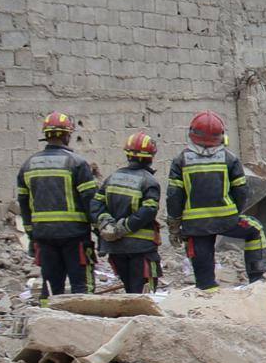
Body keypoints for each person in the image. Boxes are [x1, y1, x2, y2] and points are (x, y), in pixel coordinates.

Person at [167, 111, 266, 292]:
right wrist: (236, 213)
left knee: (205, 285)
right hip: (226, 220)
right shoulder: (230, 159)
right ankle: (256, 281)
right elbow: (241, 191)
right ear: (221, 136)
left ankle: (209, 301)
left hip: (195, 227)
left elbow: (174, 196)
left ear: (192, 134)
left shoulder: (180, 160)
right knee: (256, 230)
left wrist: (174, 226)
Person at [16, 112, 100, 306]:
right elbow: (90, 201)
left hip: (44, 236)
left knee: (50, 287)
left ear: (46, 135)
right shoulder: (77, 163)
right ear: (67, 135)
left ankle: (47, 319)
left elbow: (24, 204)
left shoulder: (28, 165)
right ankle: (84, 319)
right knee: (82, 286)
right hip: (75, 236)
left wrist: (32, 236)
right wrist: (99, 230)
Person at [96, 132, 163, 293]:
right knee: (144, 294)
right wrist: (124, 227)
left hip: (116, 248)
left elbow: (96, 203)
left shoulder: (112, 178)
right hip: (141, 248)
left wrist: (106, 224)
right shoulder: (149, 181)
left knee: (129, 291)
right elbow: (149, 210)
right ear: (151, 157)